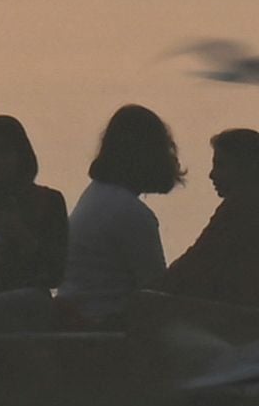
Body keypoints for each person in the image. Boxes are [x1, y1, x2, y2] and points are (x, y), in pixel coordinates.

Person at [166, 128, 259, 308]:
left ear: (248, 166)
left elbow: (198, 262)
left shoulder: (246, 203)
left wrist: (147, 295)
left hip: (258, 320)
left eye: (221, 165)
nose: (212, 174)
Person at [63, 105, 182, 323]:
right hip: (105, 324)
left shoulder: (95, 195)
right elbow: (156, 289)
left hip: (81, 317)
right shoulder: (130, 212)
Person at [0, 114, 70, 296]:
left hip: (30, 309)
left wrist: (22, 236)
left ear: (22, 153)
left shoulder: (49, 201)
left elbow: (56, 273)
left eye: (4, 150)